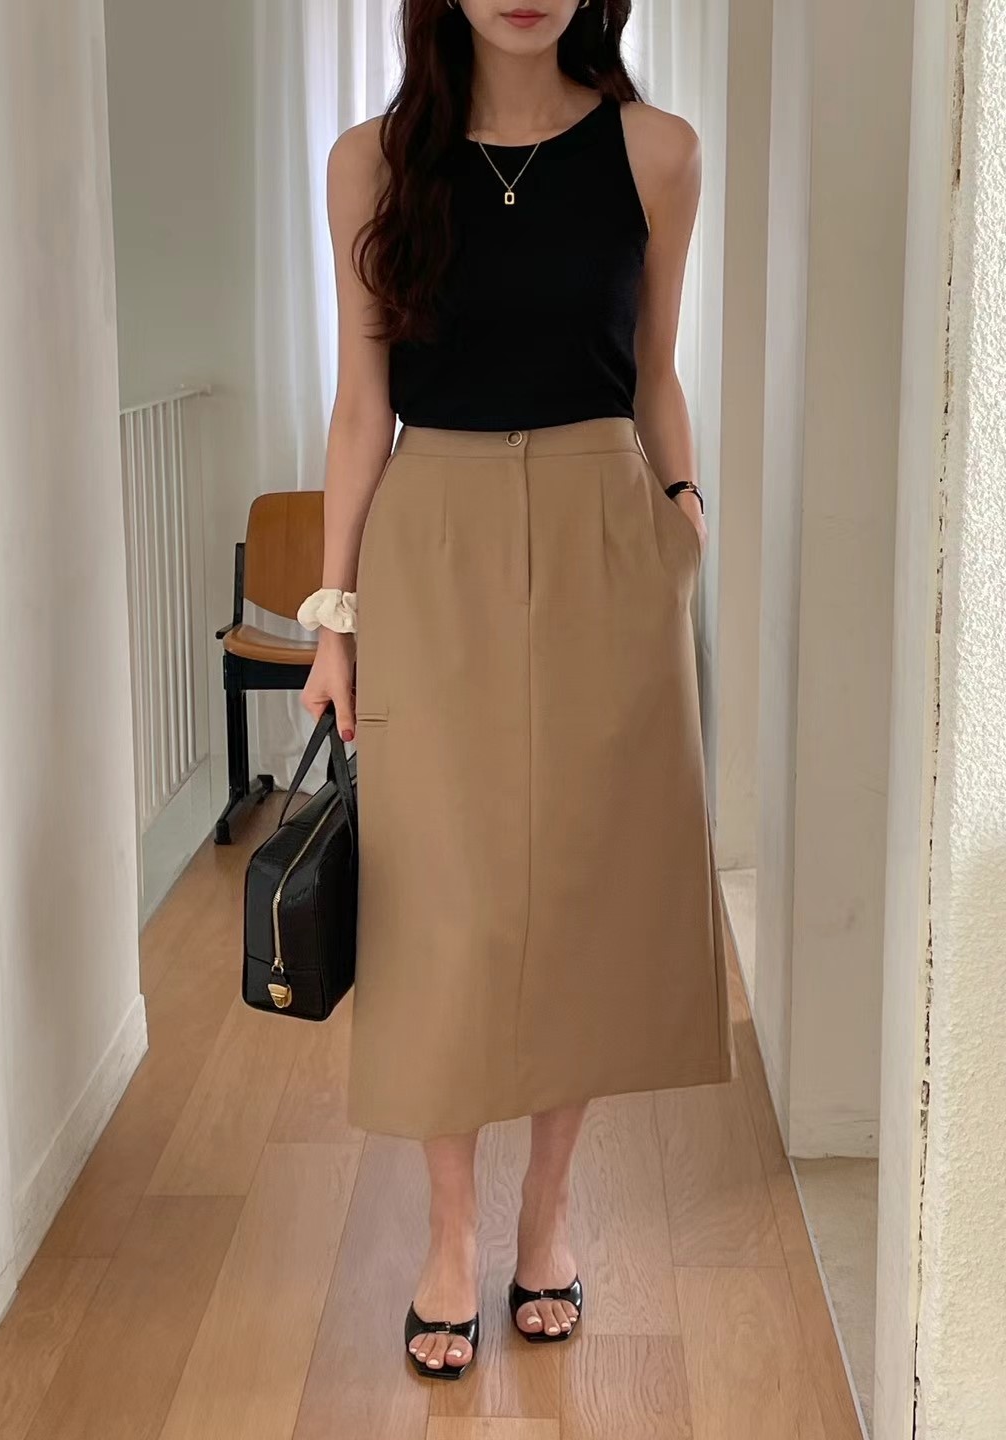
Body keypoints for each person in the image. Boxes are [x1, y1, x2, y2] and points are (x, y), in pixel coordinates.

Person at [298, 0, 733, 1382]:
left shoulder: (659, 152)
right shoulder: (372, 163)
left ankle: (547, 1217)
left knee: (584, 882)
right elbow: (361, 408)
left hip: (609, 535)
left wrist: (683, 513)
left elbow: (655, 370)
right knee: (444, 897)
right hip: (433, 538)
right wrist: (334, 620)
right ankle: (450, 1230)